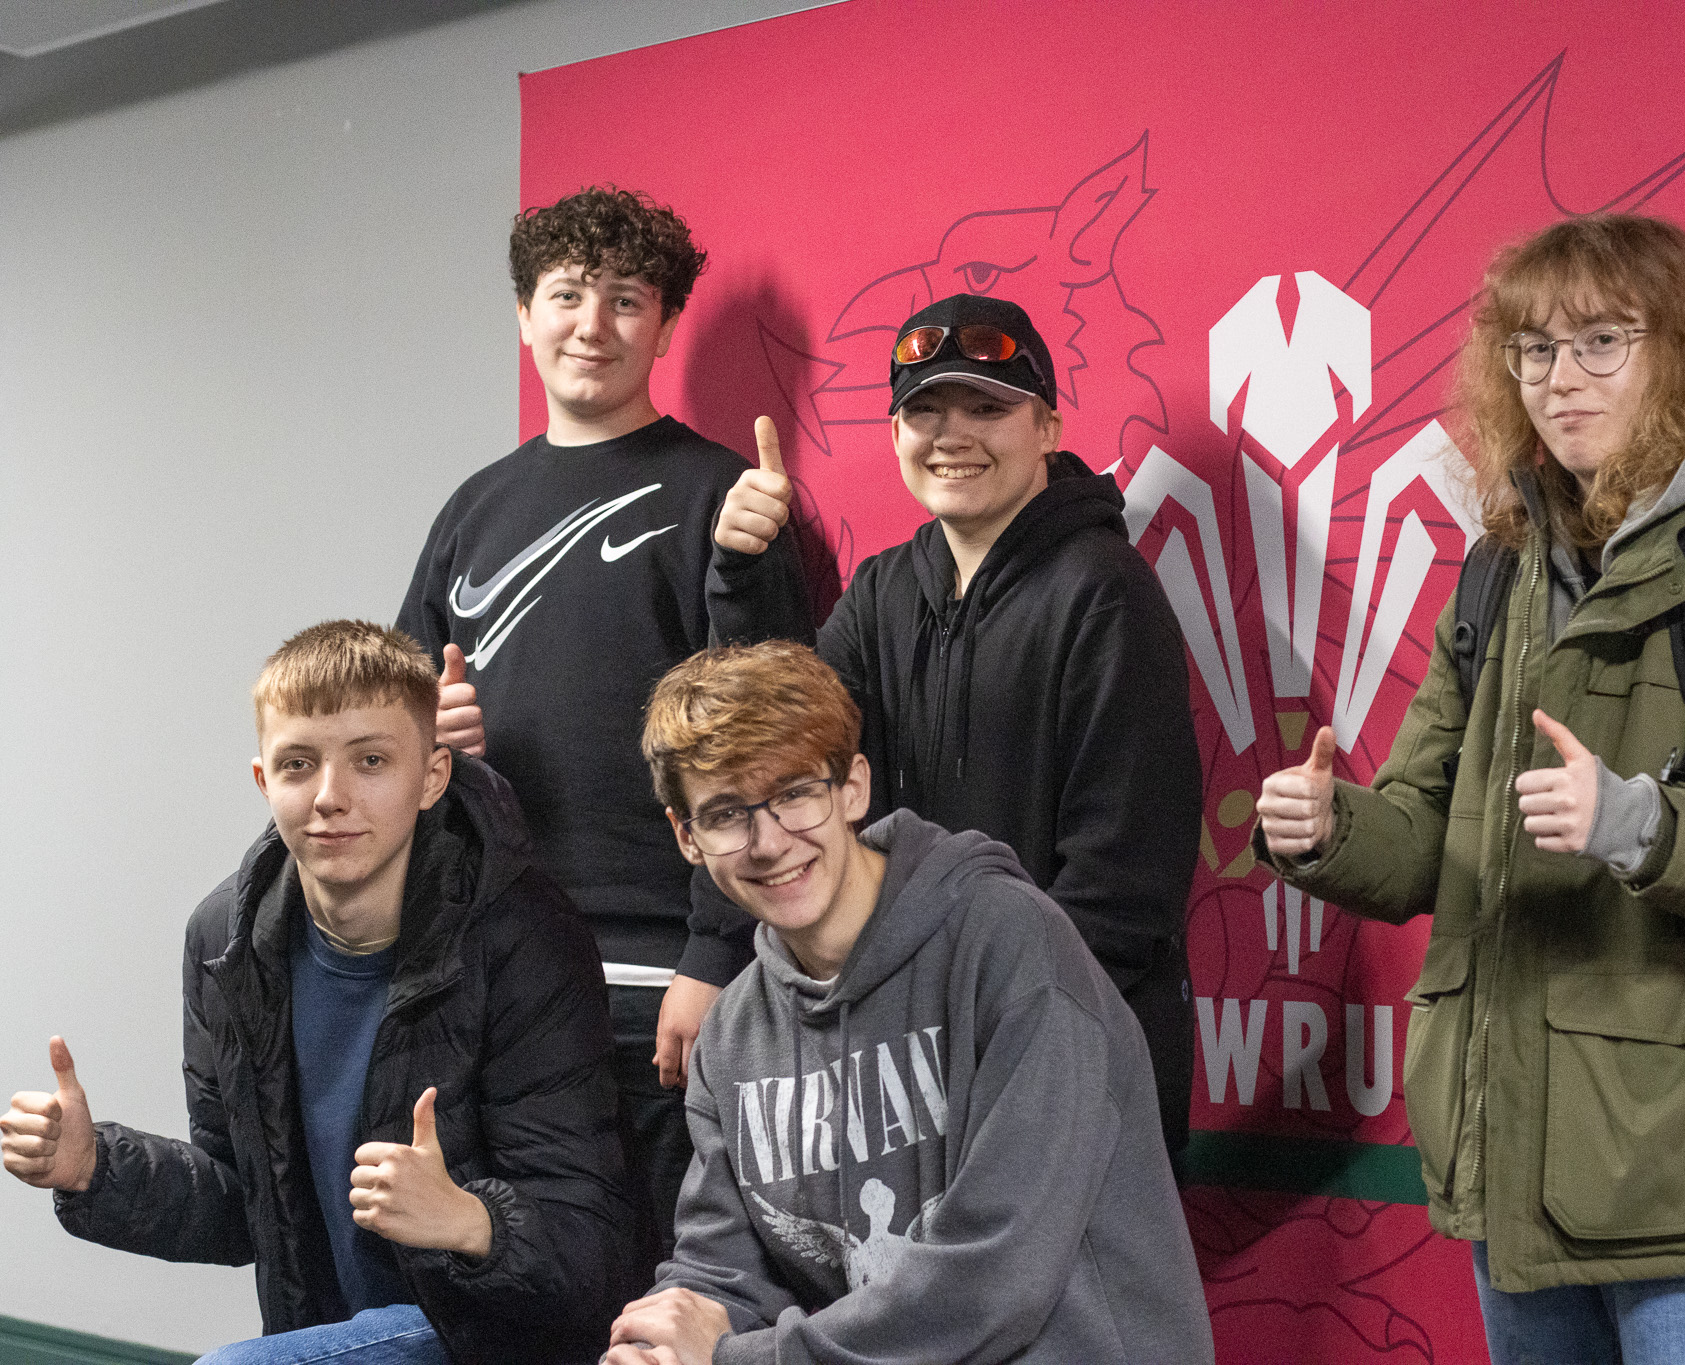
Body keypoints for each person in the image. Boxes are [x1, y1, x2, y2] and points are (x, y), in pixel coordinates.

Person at [1255, 215, 1685, 1364]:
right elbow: (1422, 839)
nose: (1558, 378)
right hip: (1516, 1165)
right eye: (1532, 348)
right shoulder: (1497, 569)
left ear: (1681, 353)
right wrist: (1325, 828)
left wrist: (1640, 827)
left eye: (1600, 341)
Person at [1, 620, 628, 1363]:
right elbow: (244, 1203)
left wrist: (468, 1220)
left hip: (489, 1336)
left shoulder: (525, 935)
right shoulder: (225, 938)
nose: (331, 796)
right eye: (299, 764)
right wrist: (93, 1169)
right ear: (265, 781)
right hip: (326, 1334)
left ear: (433, 776)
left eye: (371, 760)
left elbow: (592, 1243)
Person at [394, 186, 810, 1284]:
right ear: (524, 316)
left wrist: (715, 953)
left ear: (664, 328)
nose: (592, 324)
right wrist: (432, 742)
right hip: (496, 967)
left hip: (663, 979)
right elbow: (388, 733)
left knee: (667, 1288)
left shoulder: (723, 496)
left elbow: (771, 750)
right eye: (568, 295)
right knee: (524, 1282)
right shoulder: (473, 509)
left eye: (626, 300)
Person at [604, 641, 1213, 1364]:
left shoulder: (1010, 945)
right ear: (687, 836)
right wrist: (657, 1347)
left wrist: (742, 1359)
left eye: (795, 793)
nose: (768, 842)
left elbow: (997, 1280)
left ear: (853, 788)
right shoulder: (732, 1038)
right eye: (727, 813)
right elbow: (722, 1276)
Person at [707, 293, 1201, 1154]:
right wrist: (746, 578)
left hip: (1072, 1062)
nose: (952, 435)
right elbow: (779, 747)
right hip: (914, 1065)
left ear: (1047, 427)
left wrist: (992, 1033)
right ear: (896, 433)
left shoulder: (1107, 593)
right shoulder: (884, 591)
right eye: (925, 410)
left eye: (987, 407)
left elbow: (1122, 887)